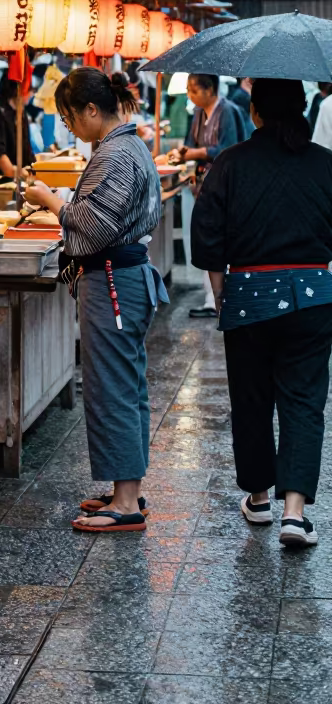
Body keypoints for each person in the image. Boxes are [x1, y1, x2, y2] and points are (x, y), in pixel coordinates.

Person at [191, 78, 332, 548]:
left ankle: (259, 497)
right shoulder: (323, 164)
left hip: (248, 297)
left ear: (254, 113)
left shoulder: (229, 163)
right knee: (305, 402)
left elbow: (209, 236)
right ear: (301, 110)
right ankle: (295, 514)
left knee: (251, 400)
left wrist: (219, 295)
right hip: (312, 297)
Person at [25, 68, 167, 532]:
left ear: (91, 110)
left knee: (113, 388)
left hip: (113, 282)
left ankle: (126, 504)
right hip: (120, 279)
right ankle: (128, 490)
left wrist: (52, 202)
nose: (68, 126)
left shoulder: (117, 153)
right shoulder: (123, 147)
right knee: (126, 385)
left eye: (69, 117)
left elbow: (97, 225)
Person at [167, 74, 245, 318]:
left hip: (225, 187)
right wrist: (186, 159)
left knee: (221, 239)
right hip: (203, 186)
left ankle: (221, 297)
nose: (190, 95)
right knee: (208, 240)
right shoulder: (199, 113)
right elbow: (191, 144)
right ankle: (211, 297)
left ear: (210, 89)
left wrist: (196, 153)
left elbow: (228, 149)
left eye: (193, 90)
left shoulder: (228, 111)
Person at [0, 74, 34, 181]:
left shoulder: (22, 114)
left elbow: (27, 149)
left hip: (17, 180)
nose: (31, 93)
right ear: (17, 90)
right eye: (28, 88)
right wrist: (20, 173)